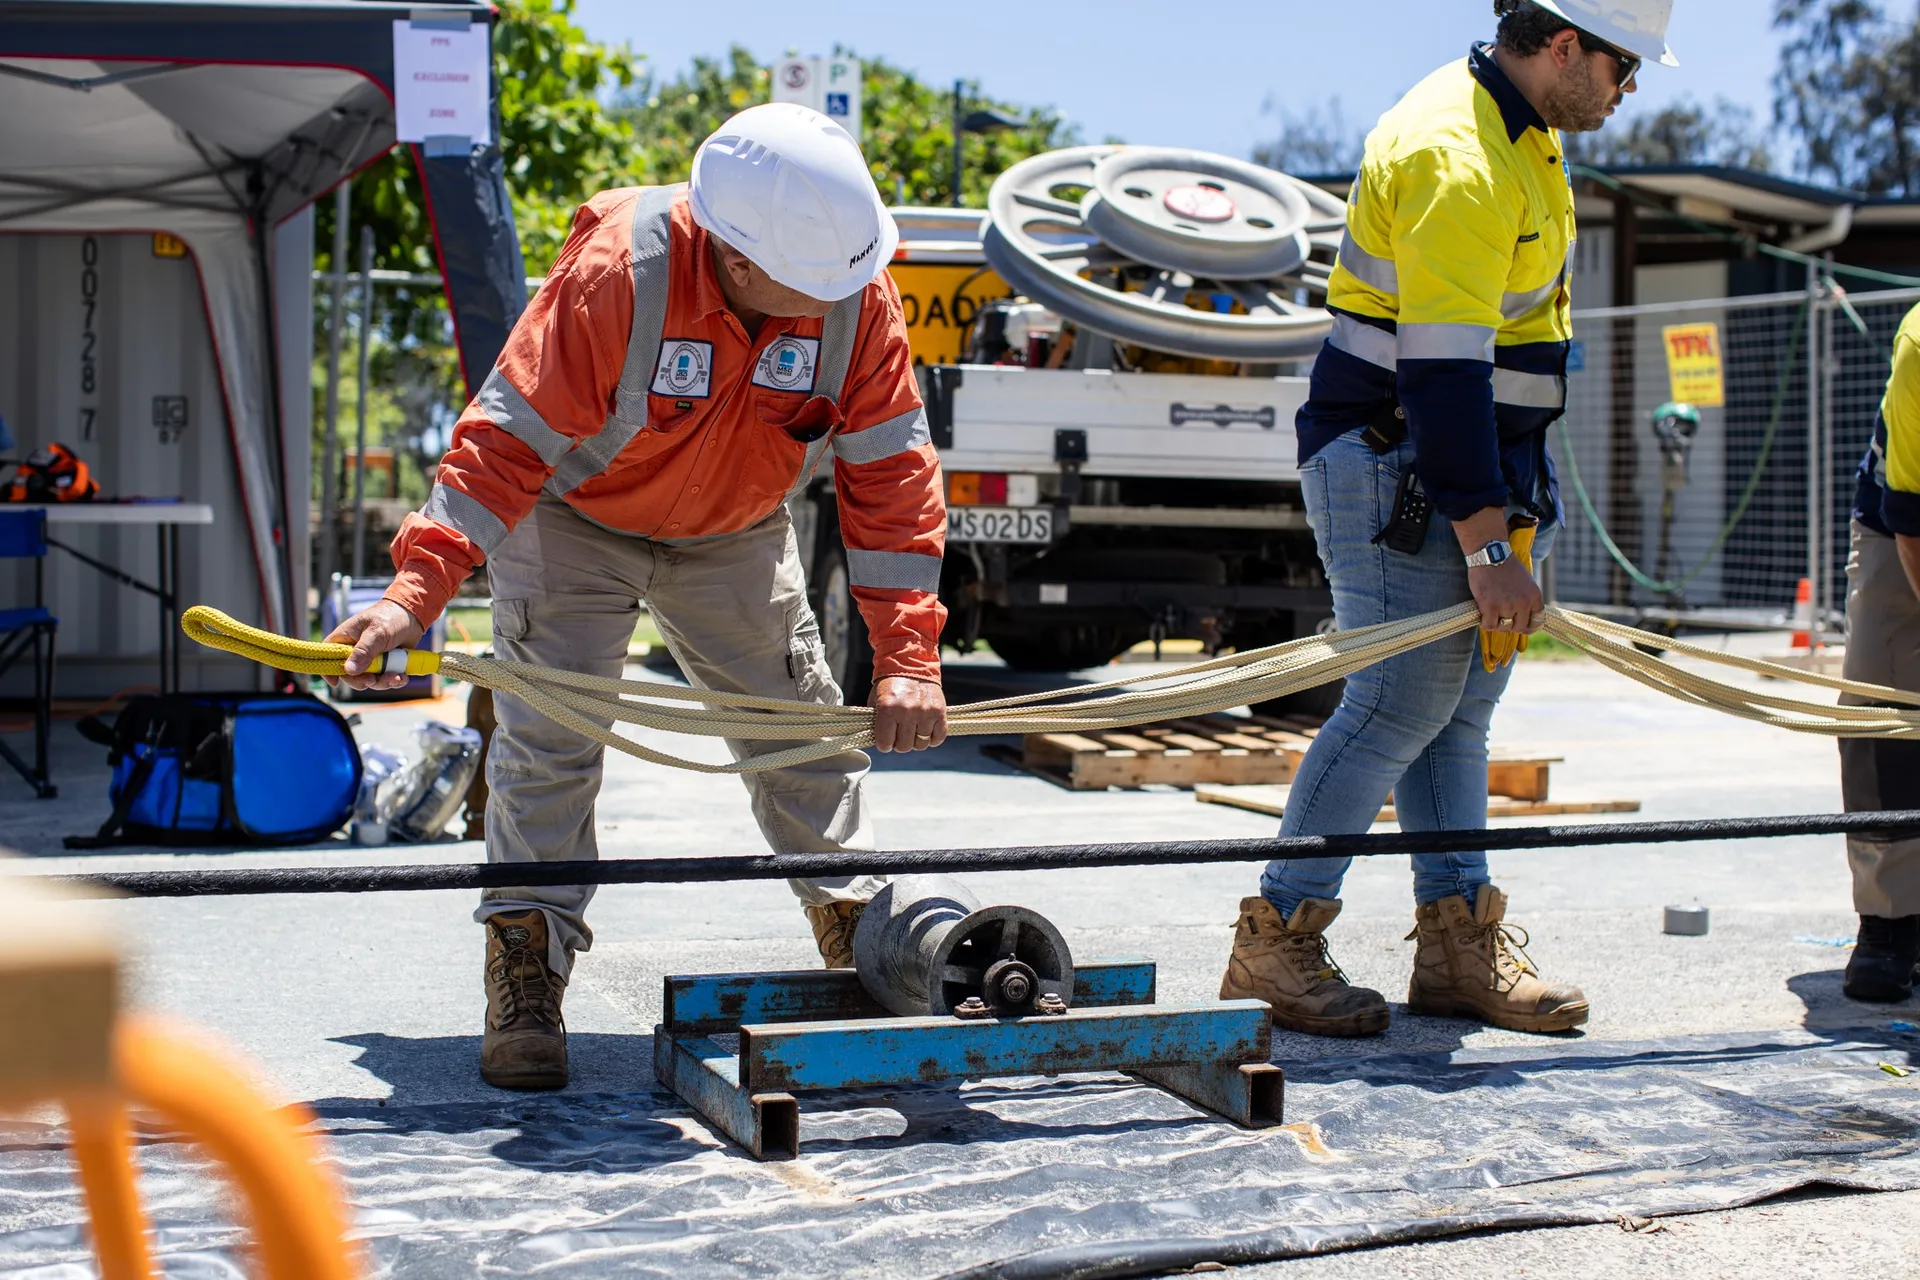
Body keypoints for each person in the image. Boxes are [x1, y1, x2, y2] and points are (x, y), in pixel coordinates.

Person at [325, 104, 949, 1090]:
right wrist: (416, 591)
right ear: (737, 260)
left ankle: (854, 931)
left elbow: (891, 473)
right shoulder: (618, 275)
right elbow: (506, 442)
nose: (840, 297)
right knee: (551, 746)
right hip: (573, 520)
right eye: (817, 283)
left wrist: (909, 653)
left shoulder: (855, 294)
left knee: (800, 735)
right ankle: (526, 966)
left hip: (736, 529)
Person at [1219, 0, 1677, 1037]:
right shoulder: (1458, 153)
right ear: (1564, 47)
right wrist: (1485, 539)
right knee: (1393, 704)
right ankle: (1274, 942)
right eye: (1624, 64)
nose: (1630, 87)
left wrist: (1511, 513)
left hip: (1464, 462)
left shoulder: (1525, 136)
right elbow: (1440, 371)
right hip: (1403, 462)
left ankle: (1455, 944)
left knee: (1456, 712)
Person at [1839, 300, 1920, 1003]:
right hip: (1903, 523)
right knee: (1882, 702)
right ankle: (1889, 918)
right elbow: (1914, 519)